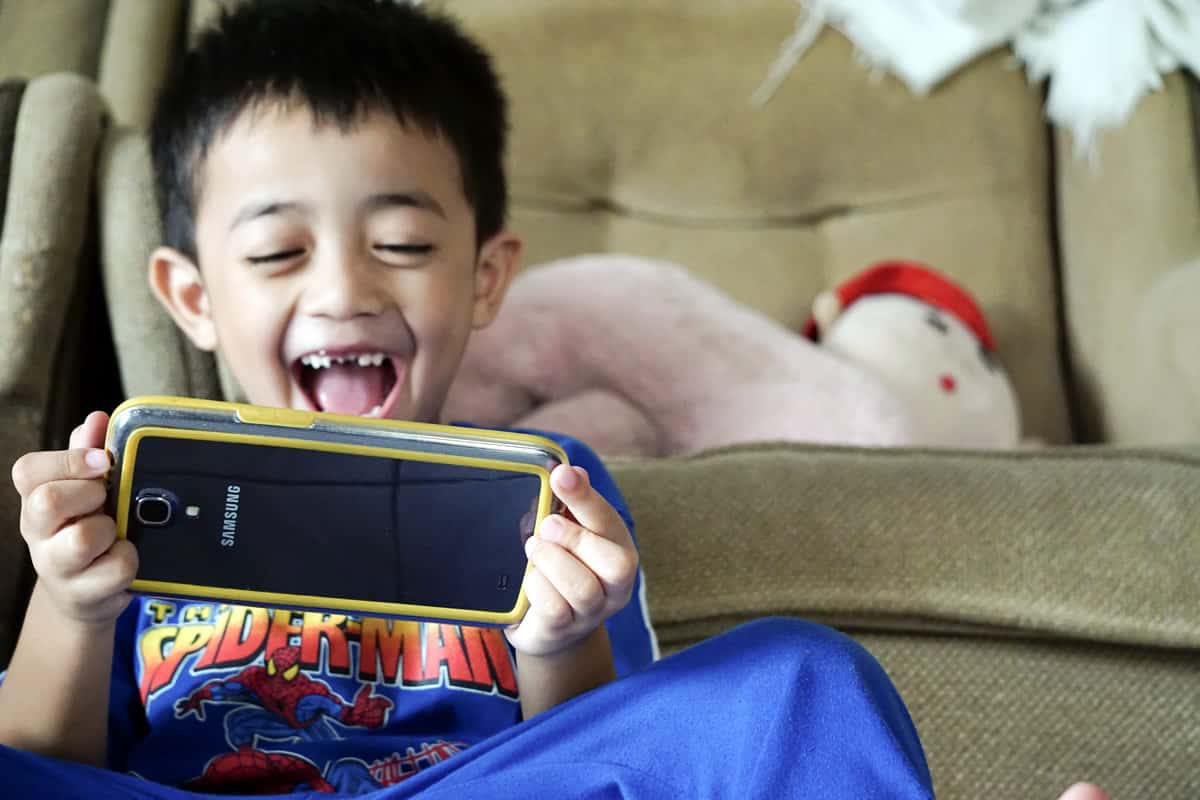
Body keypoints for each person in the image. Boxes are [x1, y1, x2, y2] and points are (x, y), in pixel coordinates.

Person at [0, 2, 1097, 798]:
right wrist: (74, 602)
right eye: (279, 250)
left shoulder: (551, 486)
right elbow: (41, 750)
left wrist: (560, 633)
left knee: (800, 676)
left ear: (484, 278)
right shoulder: (134, 491)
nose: (344, 287)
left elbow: (612, 750)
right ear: (192, 295)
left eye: (403, 243)